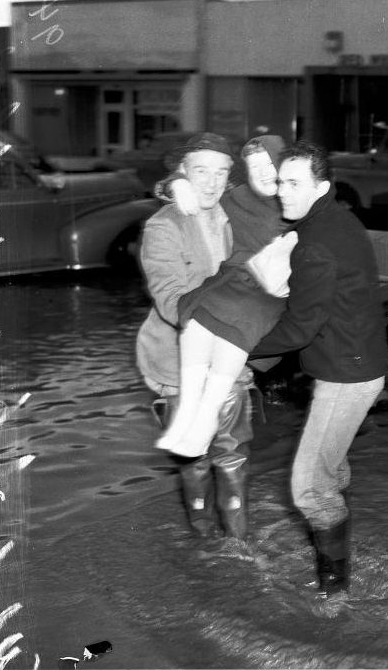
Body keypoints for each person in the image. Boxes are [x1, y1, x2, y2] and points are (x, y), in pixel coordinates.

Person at [251, 140, 388, 599]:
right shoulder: (337, 220)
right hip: (357, 362)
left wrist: (240, 349)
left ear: (321, 187)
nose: (282, 192)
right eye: (280, 182)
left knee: (309, 487)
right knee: (331, 472)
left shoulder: (315, 243)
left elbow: (299, 328)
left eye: (294, 183)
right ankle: (342, 561)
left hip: (347, 376)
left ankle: (335, 594)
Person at [135, 131, 256, 540]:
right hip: (177, 364)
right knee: (194, 461)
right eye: (201, 171)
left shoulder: (231, 212)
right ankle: (204, 542)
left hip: (229, 359)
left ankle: (237, 548)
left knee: (233, 456)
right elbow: (171, 301)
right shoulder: (162, 227)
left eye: (221, 172)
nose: (212, 182)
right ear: (183, 172)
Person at [154, 134, 297, 459]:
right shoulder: (234, 199)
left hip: (264, 311)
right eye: (255, 166)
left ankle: (204, 421)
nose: (264, 172)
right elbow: (203, 184)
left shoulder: (297, 203)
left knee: (232, 450)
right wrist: (176, 184)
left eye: (270, 164)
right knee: (203, 318)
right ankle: (190, 419)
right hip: (226, 300)